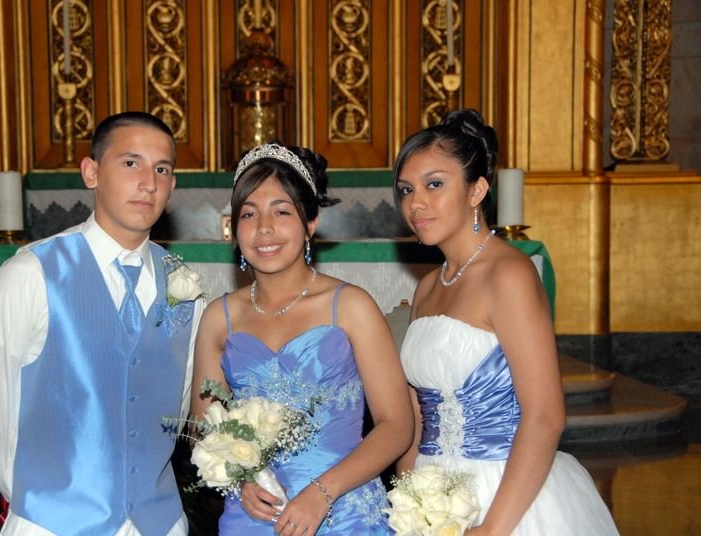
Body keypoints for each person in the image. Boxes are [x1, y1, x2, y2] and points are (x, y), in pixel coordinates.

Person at [0, 111, 206, 536]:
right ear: (91, 172)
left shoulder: (185, 288)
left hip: (158, 523)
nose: (149, 182)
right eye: (131, 163)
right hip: (51, 523)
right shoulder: (31, 273)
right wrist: (41, 499)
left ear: (173, 185)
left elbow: (178, 408)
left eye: (162, 169)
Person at [393, 109, 619, 535]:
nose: (415, 203)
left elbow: (545, 415)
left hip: (504, 493)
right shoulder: (426, 288)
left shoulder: (509, 274)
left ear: (477, 190)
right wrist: (407, 500)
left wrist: (492, 528)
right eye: (407, 189)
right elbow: (419, 419)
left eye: (434, 184)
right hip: (429, 494)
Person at [191, 142, 414, 535]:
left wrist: (323, 493)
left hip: (344, 514)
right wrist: (241, 479)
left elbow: (396, 425)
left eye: (281, 211)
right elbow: (202, 424)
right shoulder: (218, 317)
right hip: (253, 516)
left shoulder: (351, 306)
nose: (264, 228)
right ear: (234, 228)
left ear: (310, 223)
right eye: (249, 213)